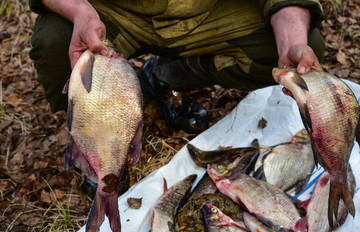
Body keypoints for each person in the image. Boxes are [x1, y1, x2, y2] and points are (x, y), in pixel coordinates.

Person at [29, 0, 325, 135]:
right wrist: (79, 9)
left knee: (300, 45)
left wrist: (291, 44)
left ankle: (161, 76)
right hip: (116, 13)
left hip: (210, 15)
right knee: (57, 41)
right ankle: (96, 148)